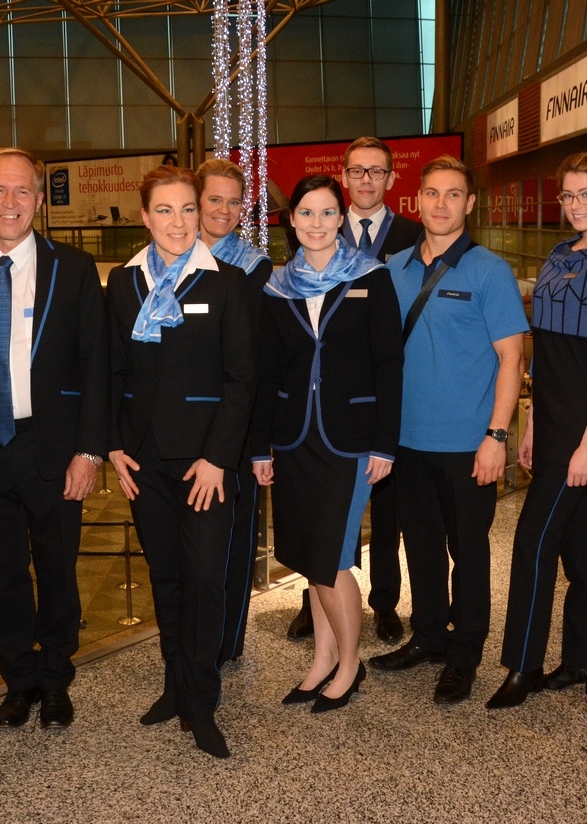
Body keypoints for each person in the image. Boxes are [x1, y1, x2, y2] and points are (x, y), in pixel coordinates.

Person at [0, 147, 108, 730]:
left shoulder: (75, 268)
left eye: (22, 191)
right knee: (2, 572)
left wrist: (89, 451)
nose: (10, 202)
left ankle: (57, 677)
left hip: (54, 446)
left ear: (39, 201)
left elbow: (96, 364)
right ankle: (18, 679)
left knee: (58, 568)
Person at [107, 165, 256, 758]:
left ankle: (202, 699)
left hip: (205, 464)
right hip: (144, 460)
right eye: (164, 210)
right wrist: (113, 444)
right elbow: (112, 370)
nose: (178, 222)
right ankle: (176, 684)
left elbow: (242, 380)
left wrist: (219, 458)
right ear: (145, 217)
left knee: (205, 579)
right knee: (166, 577)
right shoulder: (124, 284)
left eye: (188, 209)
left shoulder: (228, 284)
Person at [374, 156, 527, 705]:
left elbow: (511, 359)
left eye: (453, 194)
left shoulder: (489, 271)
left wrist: (497, 436)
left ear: (470, 203)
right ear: (417, 200)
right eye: (433, 193)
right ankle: (429, 635)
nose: (441, 204)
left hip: (468, 444)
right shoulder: (393, 268)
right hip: (405, 441)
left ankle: (465, 653)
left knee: (469, 552)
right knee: (420, 546)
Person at [487, 152, 587, 709]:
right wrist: (531, 423)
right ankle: (586, 660)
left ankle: (523, 666)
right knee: (581, 543)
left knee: (532, 541)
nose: (576, 205)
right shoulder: (558, 253)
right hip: (550, 416)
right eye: (569, 195)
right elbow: (546, 354)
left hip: (582, 424)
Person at [253, 174, 403, 712]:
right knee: (309, 556)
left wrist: (386, 444)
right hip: (294, 439)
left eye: (326, 212)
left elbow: (389, 364)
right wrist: (260, 446)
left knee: (333, 559)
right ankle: (321, 660)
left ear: (342, 219)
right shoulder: (277, 285)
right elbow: (268, 370)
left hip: (352, 440)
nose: (316, 223)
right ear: (291, 220)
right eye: (306, 213)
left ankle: (349, 665)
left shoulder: (371, 276)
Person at [298, 135, 420, 645]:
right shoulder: (318, 226)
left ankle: (385, 602)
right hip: (327, 400)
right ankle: (315, 603)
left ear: (392, 177)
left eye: (376, 171)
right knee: (323, 512)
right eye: (356, 170)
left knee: (388, 510)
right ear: (343, 176)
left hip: (387, 390)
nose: (366, 179)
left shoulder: (414, 234)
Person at [194, 158, 272, 665]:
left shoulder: (253, 267)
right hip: (182, 419)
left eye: (233, 201)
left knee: (235, 537)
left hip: (236, 419)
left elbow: (255, 360)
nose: (224, 210)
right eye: (214, 199)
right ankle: (190, 639)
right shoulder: (170, 257)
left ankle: (225, 643)